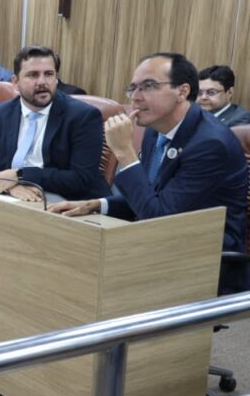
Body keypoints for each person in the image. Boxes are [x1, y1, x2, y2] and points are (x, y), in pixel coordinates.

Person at [50, 53, 248, 293]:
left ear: (182, 91)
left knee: (82, 276)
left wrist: (124, 152)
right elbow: (151, 195)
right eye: (133, 88)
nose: (136, 96)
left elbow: (158, 219)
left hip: (204, 260)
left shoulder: (210, 144)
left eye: (148, 86)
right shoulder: (156, 129)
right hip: (163, 241)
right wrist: (98, 205)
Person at [0, 45, 108, 202]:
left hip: (67, 201)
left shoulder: (83, 116)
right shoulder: (2, 113)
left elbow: (81, 179)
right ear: (15, 82)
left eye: (49, 74)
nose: (42, 82)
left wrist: (21, 175)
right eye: (33, 75)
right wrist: (10, 186)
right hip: (15, 197)